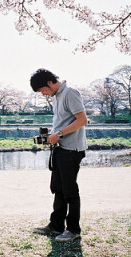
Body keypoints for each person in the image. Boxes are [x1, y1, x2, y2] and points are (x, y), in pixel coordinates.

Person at [30, 68, 88, 242]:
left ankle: (73, 230)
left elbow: (83, 120)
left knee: (70, 191)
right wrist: (52, 136)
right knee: (58, 189)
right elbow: (64, 122)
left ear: (49, 82)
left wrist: (59, 134)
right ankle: (56, 225)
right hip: (60, 148)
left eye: (42, 90)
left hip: (72, 150)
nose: (43, 94)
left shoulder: (70, 93)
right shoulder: (56, 97)